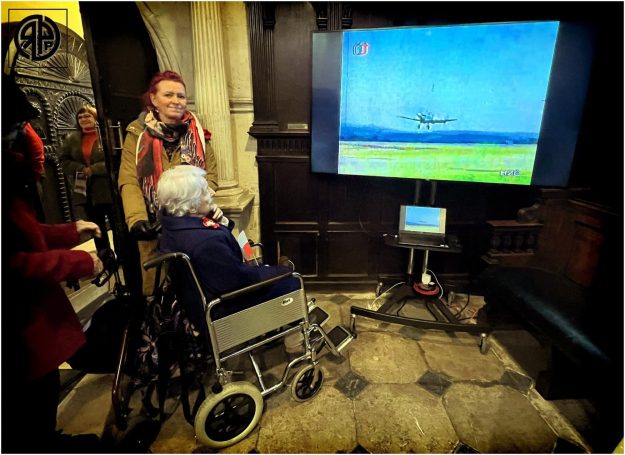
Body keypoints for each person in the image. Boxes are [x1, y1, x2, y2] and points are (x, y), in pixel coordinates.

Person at [2, 75, 104, 453]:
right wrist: (78, 262)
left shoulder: (10, 173)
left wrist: (69, 231)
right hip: (16, 320)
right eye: (14, 127)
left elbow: (22, 232)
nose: (20, 134)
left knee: (41, 390)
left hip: (28, 318)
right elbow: (12, 262)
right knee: (24, 403)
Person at [156, 165, 299, 327]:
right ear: (191, 205)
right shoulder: (206, 242)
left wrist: (220, 221)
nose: (211, 193)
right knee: (292, 281)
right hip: (224, 313)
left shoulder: (174, 227)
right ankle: (296, 333)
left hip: (206, 299)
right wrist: (279, 271)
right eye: (204, 191)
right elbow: (240, 281)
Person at [118, 70, 219, 295]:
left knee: (197, 285)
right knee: (159, 287)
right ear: (154, 99)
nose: (176, 101)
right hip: (154, 224)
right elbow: (129, 181)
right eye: (168, 95)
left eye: (181, 96)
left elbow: (210, 176)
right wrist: (137, 220)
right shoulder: (136, 135)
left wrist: (196, 206)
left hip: (193, 224)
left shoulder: (197, 134)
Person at [59, 105, 113, 253]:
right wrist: (80, 168)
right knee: (96, 226)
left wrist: (94, 169)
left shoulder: (105, 134)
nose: (83, 119)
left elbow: (114, 159)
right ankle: (105, 256)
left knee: (116, 224)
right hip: (85, 189)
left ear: (95, 117)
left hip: (106, 188)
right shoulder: (72, 139)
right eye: (80, 117)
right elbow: (63, 160)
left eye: (87, 116)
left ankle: (123, 256)